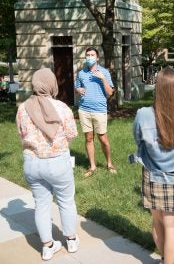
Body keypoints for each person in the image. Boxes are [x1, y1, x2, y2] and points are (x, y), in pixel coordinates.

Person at [133, 66, 174, 264]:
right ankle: (169, 261)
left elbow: (138, 140)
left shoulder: (143, 114)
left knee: (158, 220)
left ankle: (165, 259)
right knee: (173, 225)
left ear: (157, 88)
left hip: (153, 175)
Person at [16, 68, 79, 261]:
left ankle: (48, 246)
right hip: (58, 161)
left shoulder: (23, 108)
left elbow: (21, 134)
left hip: (32, 163)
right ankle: (71, 240)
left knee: (41, 205)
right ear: (51, 84)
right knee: (66, 201)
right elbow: (71, 134)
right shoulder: (61, 108)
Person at [75, 46, 116, 177]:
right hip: (84, 110)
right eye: (88, 55)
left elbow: (110, 93)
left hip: (99, 110)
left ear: (97, 58)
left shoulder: (104, 72)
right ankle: (92, 166)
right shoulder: (82, 73)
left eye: (92, 55)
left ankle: (109, 164)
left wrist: (102, 78)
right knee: (88, 138)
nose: (90, 57)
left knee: (103, 138)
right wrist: (78, 90)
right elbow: (77, 87)